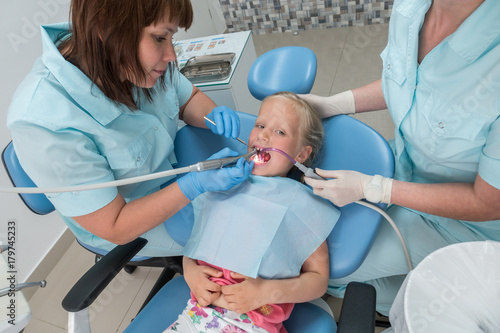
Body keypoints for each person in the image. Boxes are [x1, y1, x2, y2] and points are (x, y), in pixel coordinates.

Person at [6, 0, 253, 257]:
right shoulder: (43, 122)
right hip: (127, 219)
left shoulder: (131, 56)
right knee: (239, 240)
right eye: (159, 37)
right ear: (104, 27)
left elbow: (187, 99)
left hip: (174, 171)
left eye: (171, 36)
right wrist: (193, 186)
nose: (171, 55)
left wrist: (211, 115)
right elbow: (115, 225)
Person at [301, 0, 500, 315]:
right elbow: (408, 82)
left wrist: (376, 189)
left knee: (333, 272)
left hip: (464, 224)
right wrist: (336, 103)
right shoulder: (413, 8)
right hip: (405, 167)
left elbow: (488, 201)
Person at [165, 92, 340, 333]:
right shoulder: (222, 182)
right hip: (195, 317)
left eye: (280, 132)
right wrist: (189, 270)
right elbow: (196, 243)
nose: (263, 135)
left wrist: (264, 292)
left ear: (301, 154)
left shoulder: (302, 204)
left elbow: (319, 280)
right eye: (260, 125)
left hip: (251, 325)